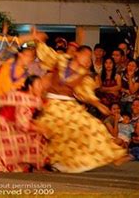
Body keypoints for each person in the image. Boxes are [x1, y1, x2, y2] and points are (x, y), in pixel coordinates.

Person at [34, 38, 128, 173]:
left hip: (69, 105)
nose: (89, 60)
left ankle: (113, 153)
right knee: (55, 128)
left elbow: (86, 93)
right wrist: (38, 40)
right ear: (78, 54)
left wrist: (98, 104)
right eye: (87, 56)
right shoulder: (61, 60)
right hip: (52, 104)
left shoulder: (85, 75)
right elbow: (47, 53)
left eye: (90, 58)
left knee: (93, 124)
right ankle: (53, 161)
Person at [0, 76, 48, 172]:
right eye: (38, 85)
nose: (41, 87)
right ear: (30, 87)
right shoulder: (26, 100)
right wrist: (40, 128)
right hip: (3, 125)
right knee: (37, 135)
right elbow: (22, 124)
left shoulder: (29, 97)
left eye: (41, 85)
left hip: (3, 122)